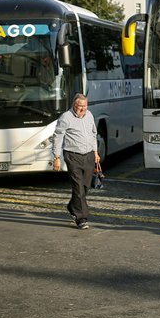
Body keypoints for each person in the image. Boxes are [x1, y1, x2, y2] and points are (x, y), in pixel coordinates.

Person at [51, 94, 100, 230]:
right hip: (73, 156)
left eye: (85, 106)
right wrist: (56, 157)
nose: (83, 109)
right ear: (74, 105)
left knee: (85, 186)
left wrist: (95, 152)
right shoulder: (66, 117)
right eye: (80, 106)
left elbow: (93, 134)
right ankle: (81, 218)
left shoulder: (89, 115)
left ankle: (72, 206)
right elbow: (58, 136)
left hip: (89, 155)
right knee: (78, 187)